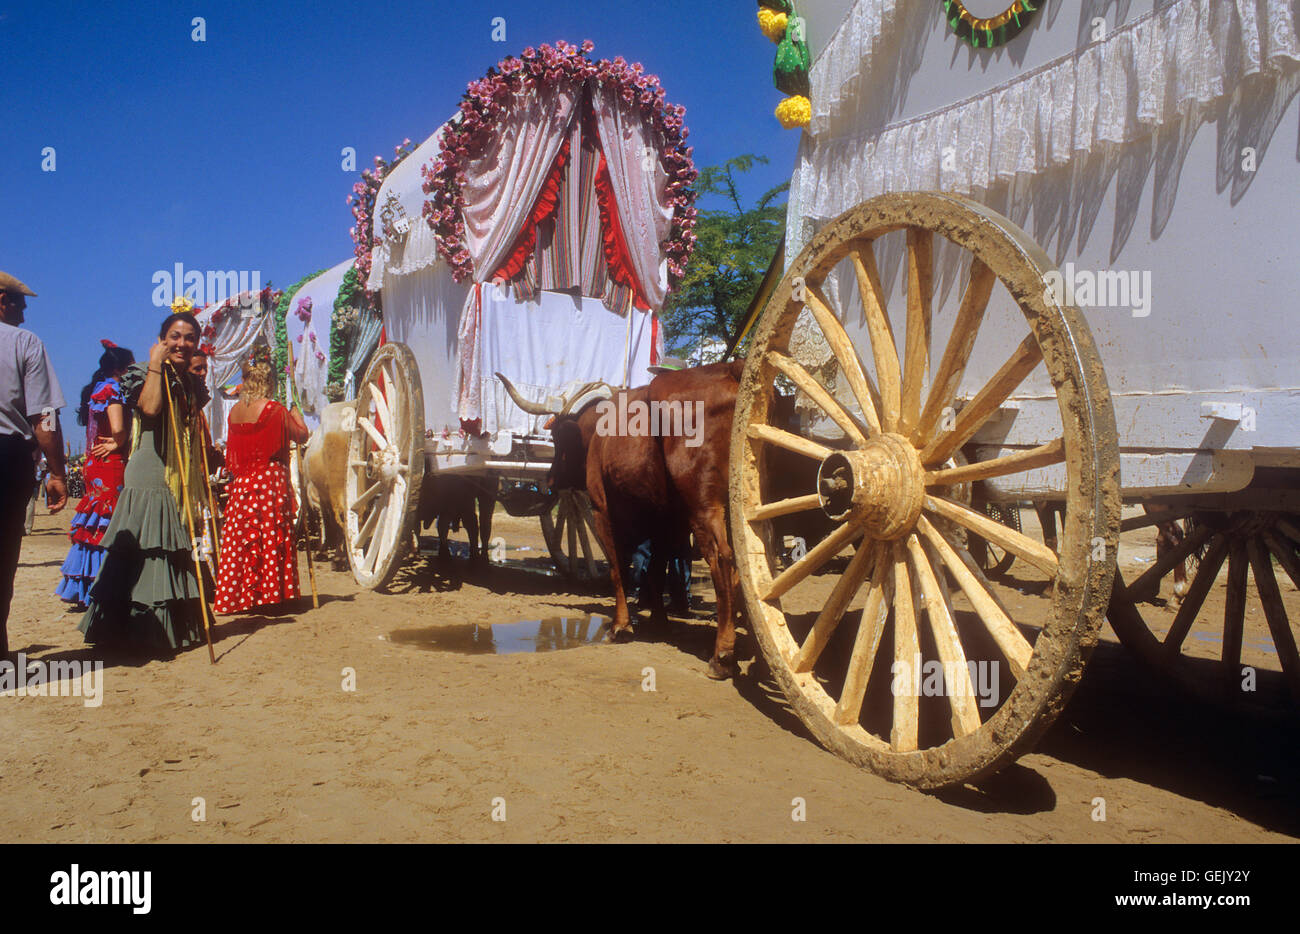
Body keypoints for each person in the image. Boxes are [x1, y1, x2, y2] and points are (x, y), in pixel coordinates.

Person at [78, 306, 212, 654]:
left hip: (179, 472)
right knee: (145, 549)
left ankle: (168, 630)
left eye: (190, 338)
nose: (182, 343)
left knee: (172, 548)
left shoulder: (192, 381)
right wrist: (155, 364)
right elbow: (150, 409)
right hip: (150, 469)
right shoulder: (143, 372)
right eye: (175, 337)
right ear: (162, 341)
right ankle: (131, 631)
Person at [0, 271, 68, 658]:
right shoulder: (24, 343)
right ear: (2, 301)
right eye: (20, 306)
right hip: (6, 458)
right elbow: (43, 418)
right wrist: (57, 473)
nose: (23, 316)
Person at [213, 350, 308, 614]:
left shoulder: (234, 414)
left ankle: (244, 595)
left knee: (243, 537)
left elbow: (233, 453)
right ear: (268, 383)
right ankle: (272, 592)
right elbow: (300, 436)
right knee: (269, 534)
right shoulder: (274, 409)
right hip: (269, 479)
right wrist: (296, 414)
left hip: (242, 483)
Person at [56, 341, 136, 607]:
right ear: (120, 368)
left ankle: (86, 582)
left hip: (94, 463)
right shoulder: (112, 390)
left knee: (92, 521)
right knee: (108, 520)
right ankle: (103, 583)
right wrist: (119, 441)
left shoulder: (96, 390)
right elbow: (118, 427)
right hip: (110, 462)